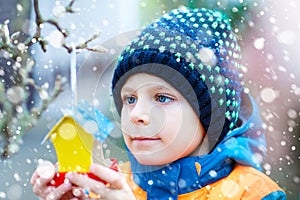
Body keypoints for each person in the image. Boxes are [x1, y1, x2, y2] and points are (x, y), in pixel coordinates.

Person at [30, 7, 286, 199]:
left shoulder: (254, 194)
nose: (136, 114)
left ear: (211, 116)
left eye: (162, 97)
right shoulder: (111, 186)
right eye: (129, 99)